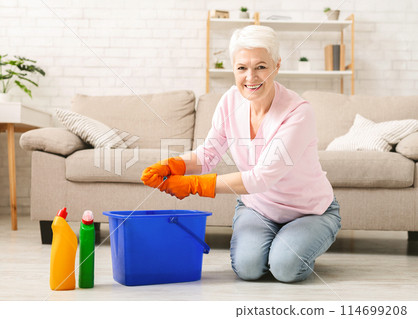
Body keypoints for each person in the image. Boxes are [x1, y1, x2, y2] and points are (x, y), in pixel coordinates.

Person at [141, 25, 341, 283]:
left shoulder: (298, 112)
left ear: (276, 66)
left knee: (285, 269)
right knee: (247, 269)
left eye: (261, 67)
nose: (251, 77)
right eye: (242, 68)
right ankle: (278, 246)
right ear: (233, 69)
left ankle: (292, 247)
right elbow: (208, 155)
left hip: (309, 212)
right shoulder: (229, 101)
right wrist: (173, 165)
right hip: (259, 208)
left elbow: (262, 178)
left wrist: (193, 185)